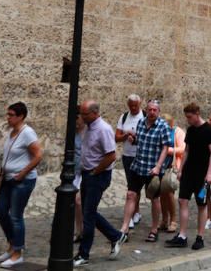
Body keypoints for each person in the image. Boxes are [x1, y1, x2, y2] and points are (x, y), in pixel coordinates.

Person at [73, 101, 125, 266]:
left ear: (95, 113)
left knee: (88, 214)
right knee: (90, 212)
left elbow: (111, 155)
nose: (82, 117)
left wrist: (95, 171)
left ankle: (84, 254)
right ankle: (116, 236)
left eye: (85, 114)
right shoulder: (88, 127)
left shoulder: (103, 129)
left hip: (97, 175)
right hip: (87, 174)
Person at [0, 102, 42, 267]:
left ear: (21, 116)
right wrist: (1, 170)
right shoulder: (11, 132)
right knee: (0, 211)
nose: (8, 118)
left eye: (11, 115)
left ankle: (17, 253)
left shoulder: (27, 133)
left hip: (22, 181)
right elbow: (9, 155)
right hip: (8, 179)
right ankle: (12, 244)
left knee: (15, 216)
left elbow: (38, 155)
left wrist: (22, 173)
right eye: (7, 114)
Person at [166, 103, 211, 251]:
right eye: (187, 117)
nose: (188, 120)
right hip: (188, 171)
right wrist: (181, 169)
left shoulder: (208, 130)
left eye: (190, 117)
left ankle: (200, 237)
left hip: (202, 173)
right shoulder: (190, 130)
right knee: (182, 200)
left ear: (197, 113)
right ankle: (182, 236)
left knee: (202, 205)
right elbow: (187, 150)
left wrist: (209, 173)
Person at [119, 100, 170, 243]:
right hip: (138, 165)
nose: (152, 112)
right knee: (130, 195)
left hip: (152, 169)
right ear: (146, 110)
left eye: (155, 110)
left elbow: (166, 148)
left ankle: (154, 229)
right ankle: (124, 228)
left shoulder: (163, 126)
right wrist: (132, 139)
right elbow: (139, 141)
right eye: (150, 110)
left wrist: (159, 166)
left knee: (154, 199)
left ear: (158, 111)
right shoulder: (141, 123)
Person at [115, 95, 144, 231]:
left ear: (139, 104)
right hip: (127, 155)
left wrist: (136, 137)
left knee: (135, 186)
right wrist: (126, 136)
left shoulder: (144, 116)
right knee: (131, 185)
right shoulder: (124, 117)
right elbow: (117, 137)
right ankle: (134, 212)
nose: (133, 108)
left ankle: (133, 213)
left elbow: (148, 136)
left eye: (135, 105)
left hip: (141, 155)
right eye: (131, 105)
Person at [158, 113, 184, 234]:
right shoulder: (159, 131)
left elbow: (183, 149)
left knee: (169, 194)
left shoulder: (177, 132)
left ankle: (173, 220)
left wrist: (168, 150)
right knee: (161, 195)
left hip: (172, 166)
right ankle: (164, 219)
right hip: (161, 166)